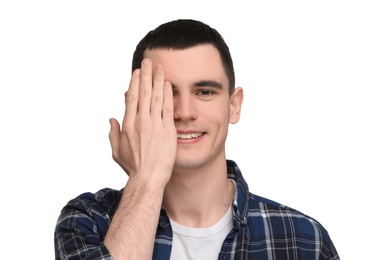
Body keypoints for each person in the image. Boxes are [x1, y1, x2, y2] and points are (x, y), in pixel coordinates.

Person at [54, 19, 340, 260]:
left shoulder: (304, 239)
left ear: (234, 105)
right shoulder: (87, 221)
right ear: (136, 105)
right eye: (165, 94)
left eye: (204, 92)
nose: (184, 113)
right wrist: (145, 180)